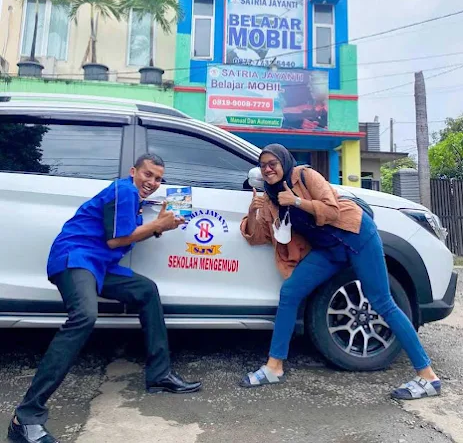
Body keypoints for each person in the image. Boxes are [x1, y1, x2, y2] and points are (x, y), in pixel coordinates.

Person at [9, 154, 201, 443]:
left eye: (158, 179)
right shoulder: (124, 190)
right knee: (84, 317)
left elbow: (126, 236)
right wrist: (157, 225)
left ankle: (159, 375)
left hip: (99, 266)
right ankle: (25, 418)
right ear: (133, 171)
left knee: (146, 290)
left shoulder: (134, 200)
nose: (152, 182)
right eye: (147, 174)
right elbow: (116, 240)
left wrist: (160, 226)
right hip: (75, 259)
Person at [240, 144, 440, 400]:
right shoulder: (271, 198)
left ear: (284, 162)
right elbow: (257, 236)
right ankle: (274, 367)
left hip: (357, 236)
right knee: (290, 292)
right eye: (263, 166)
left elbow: (332, 209)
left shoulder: (304, 176)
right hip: (329, 251)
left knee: (382, 301)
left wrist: (297, 201)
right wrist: (254, 210)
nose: (268, 169)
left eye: (273, 164)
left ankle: (427, 376)